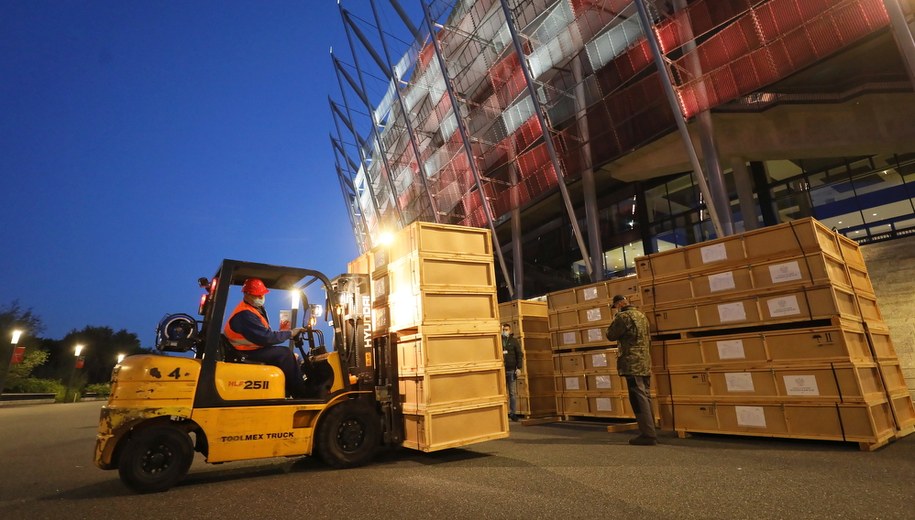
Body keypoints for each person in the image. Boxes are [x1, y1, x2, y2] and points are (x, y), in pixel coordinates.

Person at [224, 278, 308, 398]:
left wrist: (285, 334)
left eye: (262, 294)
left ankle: (287, 389)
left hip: (249, 349)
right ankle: (302, 395)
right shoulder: (245, 314)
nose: (260, 297)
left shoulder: (254, 309)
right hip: (244, 352)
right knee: (285, 354)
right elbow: (267, 338)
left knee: (294, 357)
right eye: (257, 295)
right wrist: (290, 333)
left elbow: (265, 334)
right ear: (246, 294)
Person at [605, 294, 658, 445]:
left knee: (638, 398)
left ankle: (648, 434)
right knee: (645, 396)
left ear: (620, 304)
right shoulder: (641, 316)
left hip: (632, 362)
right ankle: (650, 430)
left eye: (616, 307)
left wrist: (616, 316)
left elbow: (610, 335)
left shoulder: (623, 317)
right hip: (644, 361)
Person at [502, 322, 523, 422]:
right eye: (503, 330)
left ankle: (513, 413)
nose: (504, 331)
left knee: (512, 393)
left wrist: (519, 368)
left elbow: (519, 354)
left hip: (511, 370)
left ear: (509, 330)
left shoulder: (514, 341)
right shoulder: (499, 340)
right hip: (501, 370)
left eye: (506, 330)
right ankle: (503, 413)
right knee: (502, 393)